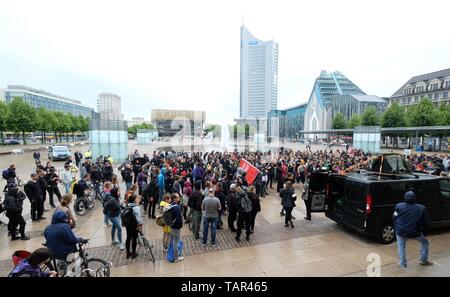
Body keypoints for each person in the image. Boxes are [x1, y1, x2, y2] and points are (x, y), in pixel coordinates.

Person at [393, 191, 433, 268]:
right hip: (415, 232)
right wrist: (425, 234)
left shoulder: (398, 206)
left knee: (401, 247)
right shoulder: (421, 208)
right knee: (425, 242)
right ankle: (424, 260)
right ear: (415, 198)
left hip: (400, 231)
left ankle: (403, 264)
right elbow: (426, 223)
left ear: (405, 198)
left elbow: (394, 217)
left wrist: (397, 228)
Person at [123, 194, 142, 259]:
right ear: (134, 200)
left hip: (128, 225)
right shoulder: (136, 207)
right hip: (134, 225)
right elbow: (138, 218)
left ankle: (128, 253)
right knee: (134, 239)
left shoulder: (127, 205)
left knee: (128, 238)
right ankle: (134, 253)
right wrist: (140, 225)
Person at [169, 193, 184, 262]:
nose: (179, 198)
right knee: (176, 241)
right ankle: (176, 257)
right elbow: (179, 218)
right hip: (176, 227)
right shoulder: (177, 207)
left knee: (171, 240)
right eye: (178, 197)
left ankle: (170, 253)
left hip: (171, 226)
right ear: (174, 198)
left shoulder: (170, 205)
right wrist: (181, 226)